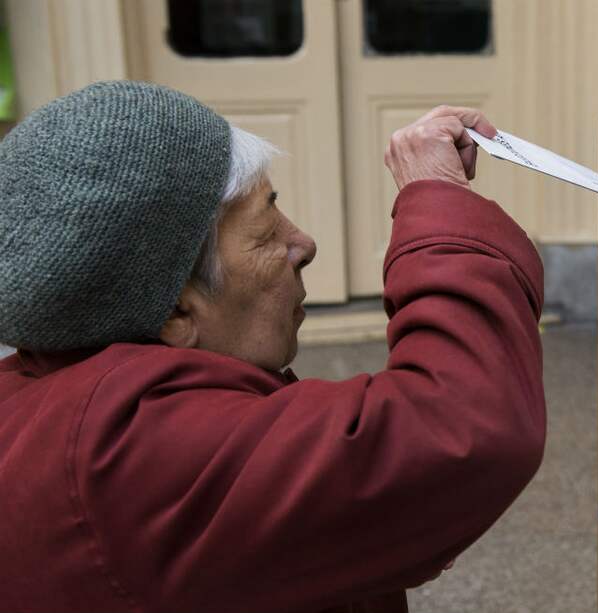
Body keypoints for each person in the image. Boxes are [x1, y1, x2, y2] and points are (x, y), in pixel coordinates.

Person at [0, 81, 545, 612]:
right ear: (174, 311)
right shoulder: (127, 454)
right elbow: (458, 426)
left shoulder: (54, 396)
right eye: (265, 231)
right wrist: (440, 204)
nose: (303, 244)